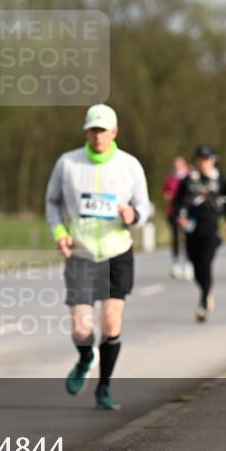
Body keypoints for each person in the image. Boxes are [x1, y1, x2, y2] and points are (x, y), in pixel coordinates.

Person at [45, 104, 151, 411]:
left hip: (117, 251)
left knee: (111, 319)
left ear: (114, 131)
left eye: (103, 130)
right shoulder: (68, 163)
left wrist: (134, 215)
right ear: (86, 131)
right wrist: (59, 232)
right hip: (81, 252)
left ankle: (104, 386)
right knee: (81, 327)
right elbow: (52, 201)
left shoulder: (129, 165)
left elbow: (144, 207)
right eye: (92, 130)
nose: (97, 136)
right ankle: (85, 357)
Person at [173, 145, 226, 322]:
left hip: (211, 226)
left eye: (207, 159)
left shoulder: (221, 179)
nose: (203, 163)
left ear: (213, 160)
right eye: (200, 159)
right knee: (197, 267)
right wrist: (179, 216)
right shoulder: (188, 179)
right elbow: (178, 202)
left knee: (206, 264)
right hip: (192, 227)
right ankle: (206, 291)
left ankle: (204, 302)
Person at [162, 156, 193, 280]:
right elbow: (166, 193)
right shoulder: (170, 178)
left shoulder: (190, 176)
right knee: (175, 237)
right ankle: (176, 264)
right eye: (175, 164)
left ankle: (188, 264)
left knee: (188, 238)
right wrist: (169, 195)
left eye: (179, 164)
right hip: (174, 210)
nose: (177, 166)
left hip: (188, 211)